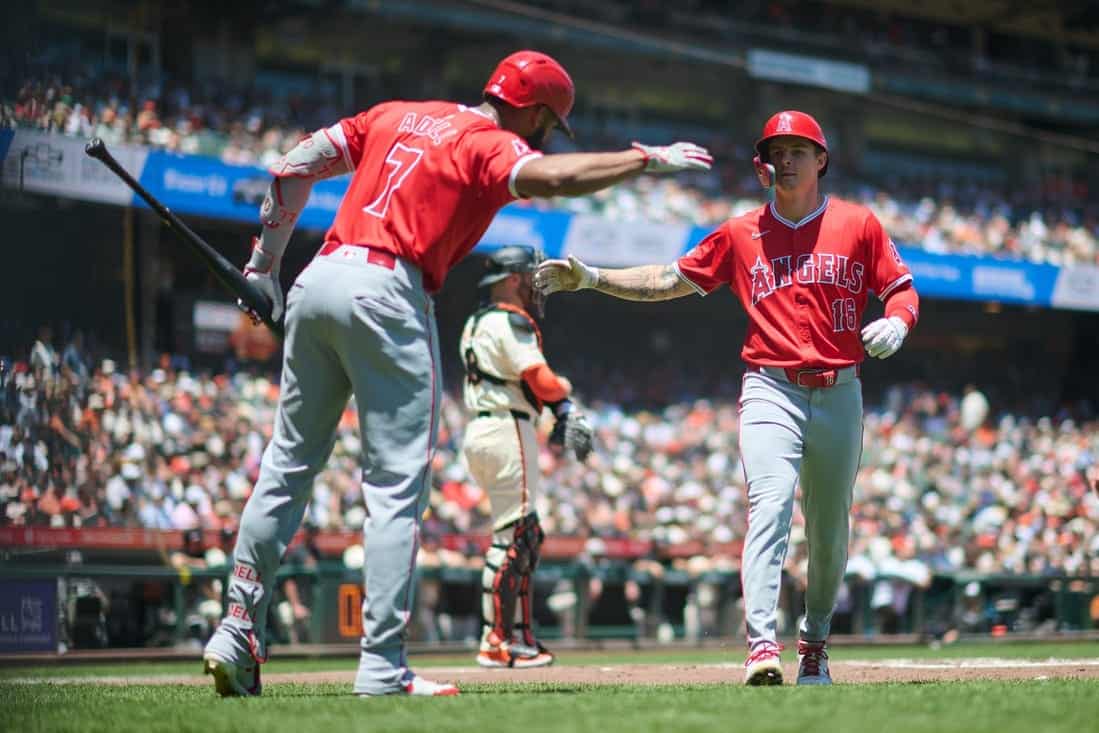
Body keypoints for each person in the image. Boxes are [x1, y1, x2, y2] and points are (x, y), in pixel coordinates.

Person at [202, 49, 712, 698]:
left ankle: (237, 628)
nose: (545, 137)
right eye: (549, 126)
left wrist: (262, 268)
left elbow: (292, 167)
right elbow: (555, 179)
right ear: (531, 112)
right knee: (392, 488)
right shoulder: (490, 144)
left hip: (318, 277)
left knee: (287, 466)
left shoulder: (396, 113)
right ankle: (382, 666)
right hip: (389, 288)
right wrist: (644, 158)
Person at [535, 110, 919, 686]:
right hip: (770, 388)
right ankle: (762, 645)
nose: (785, 159)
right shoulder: (740, 233)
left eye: (797, 149)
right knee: (769, 506)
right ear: (765, 164)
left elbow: (902, 290)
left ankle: (813, 644)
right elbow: (670, 279)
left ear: (821, 161)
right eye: (776, 150)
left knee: (830, 530)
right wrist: (593, 277)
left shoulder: (858, 224)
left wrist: (899, 323)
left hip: (840, 390)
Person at [459, 245, 592, 669]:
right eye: (528, 276)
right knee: (515, 538)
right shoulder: (510, 320)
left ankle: (516, 638)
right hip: (506, 428)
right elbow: (540, 378)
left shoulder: (476, 322)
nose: (535, 285)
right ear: (513, 279)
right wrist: (566, 399)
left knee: (525, 536)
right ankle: (495, 640)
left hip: (486, 426)